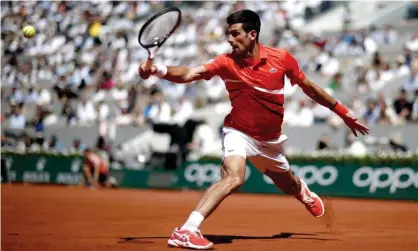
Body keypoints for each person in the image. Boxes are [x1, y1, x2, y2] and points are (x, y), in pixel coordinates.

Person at [139, 10, 369, 250]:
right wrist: (157, 70)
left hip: (269, 141)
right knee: (234, 177)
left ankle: (302, 192)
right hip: (238, 131)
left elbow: (309, 88)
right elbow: (189, 73)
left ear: (252, 34)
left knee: (288, 185)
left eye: (235, 33)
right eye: (228, 33)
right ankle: (187, 229)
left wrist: (344, 113)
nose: (229, 39)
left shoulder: (281, 59)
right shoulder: (225, 62)